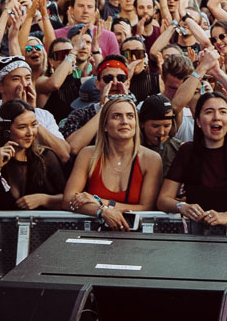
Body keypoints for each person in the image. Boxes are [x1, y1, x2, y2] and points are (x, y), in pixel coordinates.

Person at [158, 92, 227, 226]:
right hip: (198, 232)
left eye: (223, 112)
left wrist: (226, 217)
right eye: (209, 112)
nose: (216, 117)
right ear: (198, 121)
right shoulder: (187, 151)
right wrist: (182, 206)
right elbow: (163, 199)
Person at [63, 94, 163, 230]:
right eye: (116, 116)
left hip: (135, 235)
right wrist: (102, 211)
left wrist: (100, 202)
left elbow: (146, 208)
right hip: (95, 235)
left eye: (130, 116)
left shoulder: (151, 159)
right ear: (104, 125)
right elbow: (68, 200)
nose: (124, 121)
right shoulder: (88, 154)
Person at [0, 100, 66, 213]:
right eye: (22, 127)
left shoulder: (46, 157)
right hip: (2, 230)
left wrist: (44, 200)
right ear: (5, 131)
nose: (30, 132)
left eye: (34, 125)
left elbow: (68, 198)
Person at [138, 94, 182, 175]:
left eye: (166, 126)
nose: (161, 132)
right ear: (142, 123)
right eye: (155, 126)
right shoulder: (132, 149)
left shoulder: (180, 150)